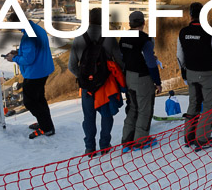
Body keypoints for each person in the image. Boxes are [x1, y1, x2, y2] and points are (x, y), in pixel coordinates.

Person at [68, 8, 124, 156]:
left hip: (87, 88)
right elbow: (120, 61)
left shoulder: (79, 37)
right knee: (106, 116)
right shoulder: (109, 37)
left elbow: (71, 66)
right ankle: (105, 145)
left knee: (88, 118)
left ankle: (89, 148)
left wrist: (84, 77)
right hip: (105, 86)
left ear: (89, 20)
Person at [177, 2, 212, 148]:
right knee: (209, 105)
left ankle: (189, 135)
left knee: (193, 103)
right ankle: (202, 138)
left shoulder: (183, 32)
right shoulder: (209, 32)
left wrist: (184, 73)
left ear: (191, 15)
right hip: (207, 74)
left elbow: (179, 55)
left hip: (191, 73)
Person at [4, 11, 55, 139]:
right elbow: (35, 50)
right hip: (43, 69)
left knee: (30, 102)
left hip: (34, 73)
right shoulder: (37, 29)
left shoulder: (28, 36)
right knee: (39, 99)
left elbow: (28, 59)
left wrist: (13, 59)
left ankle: (46, 127)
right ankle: (45, 124)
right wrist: (18, 52)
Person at [120, 11, 162, 152]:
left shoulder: (124, 37)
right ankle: (140, 141)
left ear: (130, 23)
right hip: (143, 78)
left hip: (129, 77)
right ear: (143, 23)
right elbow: (150, 63)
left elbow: (123, 58)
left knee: (133, 108)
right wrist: (157, 81)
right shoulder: (145, 39)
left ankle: (126, 140)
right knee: (145, 109)